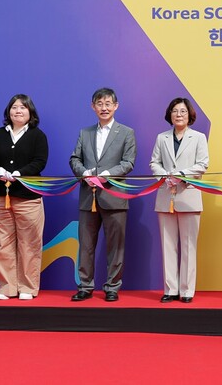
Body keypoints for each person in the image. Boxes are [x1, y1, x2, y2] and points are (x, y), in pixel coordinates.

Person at [0, 94, 49, 301]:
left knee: (29, 244)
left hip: (28, 198)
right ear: (8, 111)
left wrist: (20, 174)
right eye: (14, 107)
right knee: (2, 244)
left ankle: (27, 287)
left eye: (23, 108)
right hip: (1, 197)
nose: (18, 111)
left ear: (30, 112)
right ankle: (7, 287)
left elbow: (40, 161)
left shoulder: (38, 135)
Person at [69, 87, 136, 302]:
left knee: (115, 246)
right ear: (93, 106)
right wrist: (84, 173)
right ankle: (85, 286)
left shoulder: (126, 132)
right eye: (100, 104)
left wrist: (108, 175)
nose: (104, 108)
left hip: (114, 197)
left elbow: (128, 162)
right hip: (88, 197)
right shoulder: (85, 133)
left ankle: (112, 287)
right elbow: (74, 159)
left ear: (116, 106)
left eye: (108, 104)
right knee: (86, 245)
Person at [149, 98, 209, 304]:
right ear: (170, 114)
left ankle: (187, 290)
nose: (179, 115)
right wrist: (165, 175)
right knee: (168, 245)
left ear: (189, 114)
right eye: (175, 111)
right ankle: (170, 289)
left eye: (183, 111)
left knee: (189, 245)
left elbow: (203, 164)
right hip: (166, 195)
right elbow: (154, 162)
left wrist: (181, 175)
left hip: (189, 195)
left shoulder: (198, 137)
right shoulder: (162, 137)